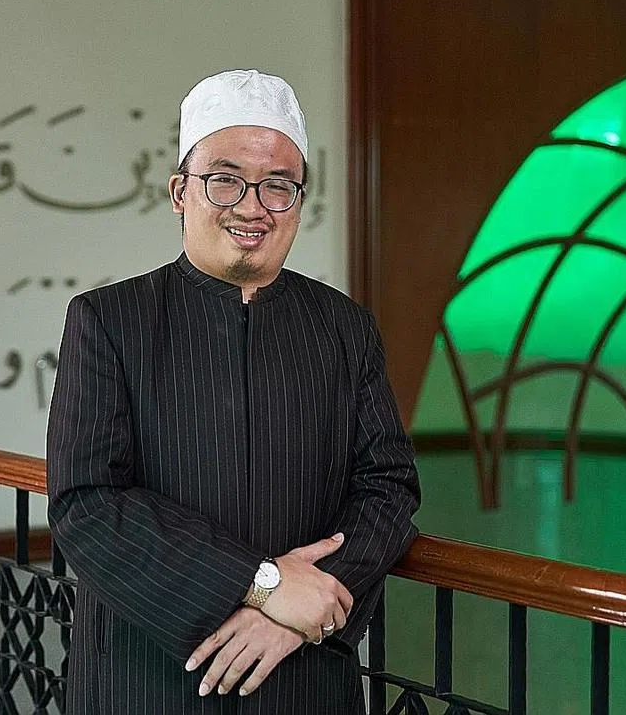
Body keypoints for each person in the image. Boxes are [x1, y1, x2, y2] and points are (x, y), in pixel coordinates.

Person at [47, 69, 421, 714]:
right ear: (180, 192)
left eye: (279, 185)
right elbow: (86, 503)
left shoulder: (345, 328)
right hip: (150, 674)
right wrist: (263, 585)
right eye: (225, 180)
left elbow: (388, 486)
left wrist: (303, 609)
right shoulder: (109, 320)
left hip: (303, 675)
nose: (253, 207)